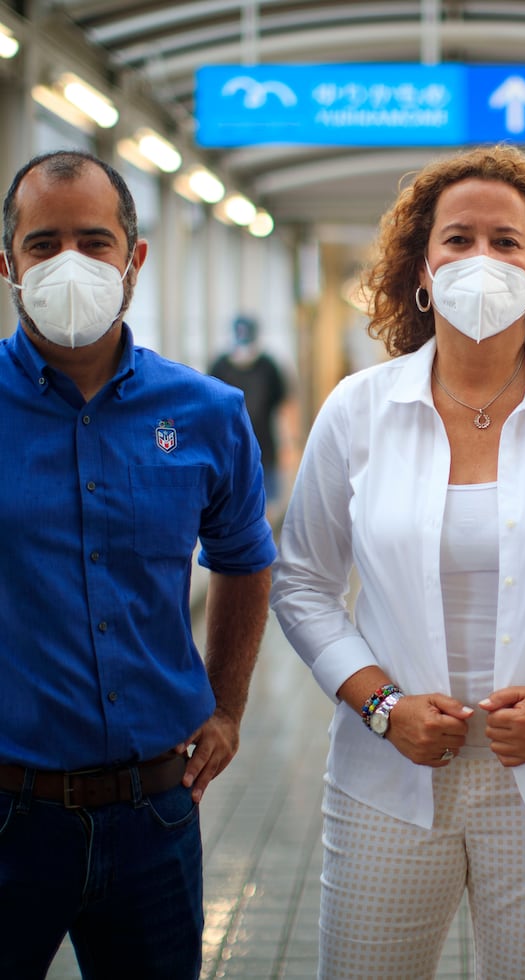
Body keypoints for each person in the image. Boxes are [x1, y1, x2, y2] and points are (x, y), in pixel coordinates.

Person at [270, 143, 525, 979]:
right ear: (421, 269)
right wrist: (382, 705)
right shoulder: (362, 410)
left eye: (506, 242)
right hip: (388, 773)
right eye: (457, 240)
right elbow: (303, 583)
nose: (480, 260)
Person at [0, 150, 276, 979]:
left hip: (155, 812)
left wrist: (226, 708)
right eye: (43, 244)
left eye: (94, 240)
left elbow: (245, 559)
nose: (70, 264)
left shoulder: (207, 413)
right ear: (7, 265)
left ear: (135, 258)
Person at [209, 314, 291, 504]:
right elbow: (209, 411)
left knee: (267, 503)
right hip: (229, 448)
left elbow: (285, 406)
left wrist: (288, 444)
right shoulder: (220, 367)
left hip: (265, 447)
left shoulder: (268, 366)